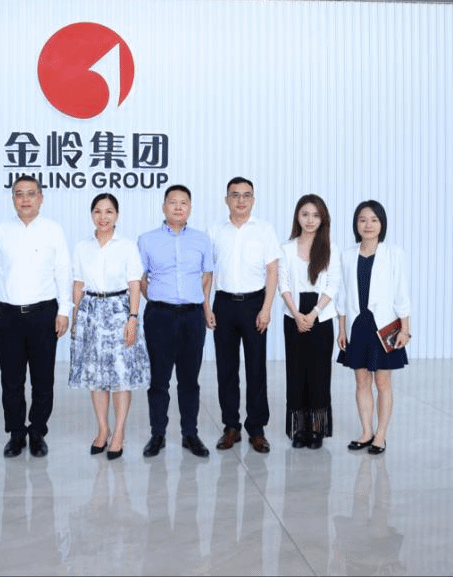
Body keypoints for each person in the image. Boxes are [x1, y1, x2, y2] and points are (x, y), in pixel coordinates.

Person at [0, 175, 72, 458]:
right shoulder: (1, 230)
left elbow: (63, 271)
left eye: (31, 193)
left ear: (41, 198)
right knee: (12, 379)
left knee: (43, 379)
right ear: (13, 199)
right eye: (19, 194)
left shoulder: (53, 230)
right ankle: (16, 433)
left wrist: (64, 310)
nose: (25, 199)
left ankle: (38, 432)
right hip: (9, 315)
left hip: (44, 313)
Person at [68, 193, 150, 460]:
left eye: (109, 211)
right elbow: (78, 283)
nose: (103, 217)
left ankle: (119, 433)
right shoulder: (82, 247)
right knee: (96, 377)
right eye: (98, 211)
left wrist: (133, 318)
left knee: (120, 376)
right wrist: (75, 317)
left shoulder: (127, 246)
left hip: (118, 312)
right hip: (90, 312)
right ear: (91, 214)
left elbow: (134, 283)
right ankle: (103, 429)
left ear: (117, 215)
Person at [137, 184, 214, 458]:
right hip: (159, 315)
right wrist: (157, 297)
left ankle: (190, 434)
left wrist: (203, 306)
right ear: (164, 207)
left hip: (192, 316)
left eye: (183, 202)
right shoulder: (146, 240)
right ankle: (157, 434)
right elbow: (140, 278)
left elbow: (207, 275)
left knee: (189, 380)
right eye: (173, 202)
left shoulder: (202, 240)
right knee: (159, 379)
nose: (178, 207)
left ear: (190, 208)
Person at [208, 177, 280, 454]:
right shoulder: (215, 230)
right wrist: (206, 306)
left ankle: (257, 429)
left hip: (254, 304)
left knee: (256, 367)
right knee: (226, 369)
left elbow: (272, 270)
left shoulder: (264, 230)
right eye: (235, 195)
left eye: (246, 195)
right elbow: (208, 272)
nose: (241, 200)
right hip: (223, 304)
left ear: (253, 200)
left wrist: (266, 308)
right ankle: (231, 426)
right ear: (226, 199)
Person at [336, 200, 411, 455]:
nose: (368, 224)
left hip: (385, 325)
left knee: (382, 381)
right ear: (356, 224)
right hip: (358, 324)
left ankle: (381, 435)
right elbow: (342, 295)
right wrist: (341, 329)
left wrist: (405, 329)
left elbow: (401, 293)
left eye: (374, 220)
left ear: (382, 224)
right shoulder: (347, 255)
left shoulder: (394, 254)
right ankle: (366, 431)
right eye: (362, 220)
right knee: (361, 381)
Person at [278, 194, 340, 449]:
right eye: (305, 214)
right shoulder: (286, 248)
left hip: (320, 317)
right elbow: (283, 283)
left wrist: (313, 314)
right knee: (296, 372)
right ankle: (300, 428)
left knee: (319, 373)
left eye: (315, 215)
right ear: (297, 217)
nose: (310, 220)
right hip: (293, 316)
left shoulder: (330, 248)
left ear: (323, 218)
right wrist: (296, 314)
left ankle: (316, 429)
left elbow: (333, 285)